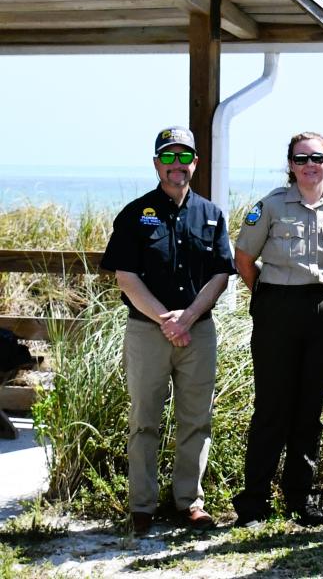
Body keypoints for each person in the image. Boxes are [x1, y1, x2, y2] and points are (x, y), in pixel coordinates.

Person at [100, 126, 235, 536]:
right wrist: (166, 319)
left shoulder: (211, 214)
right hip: (147, 332)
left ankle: (189, 502)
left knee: (196, 418)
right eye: (169, 157)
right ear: (157, 162)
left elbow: (220, 274)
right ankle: (141, 506)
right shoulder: (135, 214)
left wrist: (188, 317)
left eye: (185, 157)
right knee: (144, 420)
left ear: (195, 162)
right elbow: (127, 277)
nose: (177, 165)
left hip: (198, 333)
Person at [231, 132, 323, 529]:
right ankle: (254, 501)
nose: (310, 164)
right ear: (290, 163)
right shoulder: (270, 206)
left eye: (317, 157)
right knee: (272, 408)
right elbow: (243, 258)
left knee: (310, 411)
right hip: (277, 310)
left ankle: (301, 498)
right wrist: (272, 296)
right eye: (301, 157)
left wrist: (318, 297)